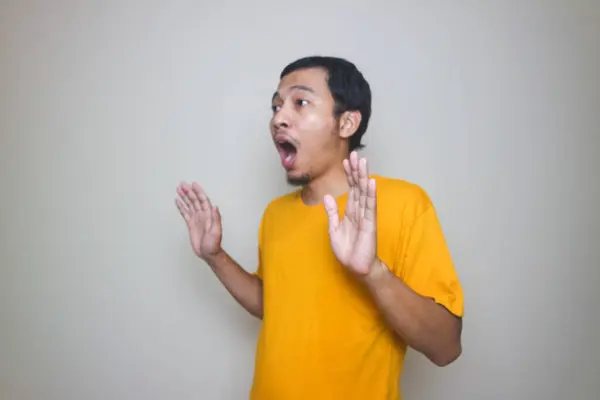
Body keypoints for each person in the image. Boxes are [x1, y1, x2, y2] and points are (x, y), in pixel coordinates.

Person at [175, 56, 464, 400]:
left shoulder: (404, 203)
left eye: (301, 103)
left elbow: (446, 347)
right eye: (276, 106)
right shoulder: (276, 214)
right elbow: (275, 304)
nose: (279, 118)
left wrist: (372, 272)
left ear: (347, 123)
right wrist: (215, 256)